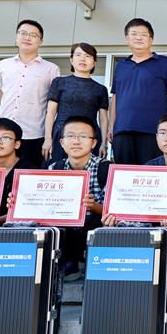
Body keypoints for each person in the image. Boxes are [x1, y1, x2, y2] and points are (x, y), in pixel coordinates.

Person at [105, 113, 167, 285]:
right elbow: (137, 206)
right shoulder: (149, 167)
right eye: (163, 133)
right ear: (157, 137)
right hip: (155, 223)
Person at [108, 18, 167, 165]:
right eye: (134, 34)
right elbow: (115, 97)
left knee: (151, 173)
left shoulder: (164, 63)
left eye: (143, 34)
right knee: (124, 174)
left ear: (151, 39)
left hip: (153, 130)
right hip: (122, 130)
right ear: (127, 38)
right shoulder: (121, 66)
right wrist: (111, 125)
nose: (138, 38)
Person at [0, 20, 59, 168]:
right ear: (16, 37)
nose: (27, 37)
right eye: (23, 33)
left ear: (41, 42)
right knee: (2, 175)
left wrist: (48, 138)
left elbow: (52, 106)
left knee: (30, 176)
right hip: (4, 134)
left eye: (33, 35)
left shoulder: (51, 69)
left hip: (34, 134)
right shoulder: (3, 65)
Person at [49, 116, 110, 280]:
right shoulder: (54, 168)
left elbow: (114, 210)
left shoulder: (106, 168)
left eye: (83, 136)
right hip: (66, 225)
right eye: (70, 136)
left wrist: (93, 206)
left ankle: (93, 262)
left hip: (94, 223)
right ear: (62, 142)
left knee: (98, 221)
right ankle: (69, 263)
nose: (76, 141)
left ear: (93, 143)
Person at [42, 43, 109, 165]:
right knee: (59, 169)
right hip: (62, 135)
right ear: (71, 60)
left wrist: (104, 143)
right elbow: (50, 113)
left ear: (94, 62)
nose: (82, 59)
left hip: (89, 137)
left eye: (87, 56)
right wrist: (47, 139)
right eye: (78, 55)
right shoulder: (59, 82)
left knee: (89, 170)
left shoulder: (100, 89)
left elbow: (103, 118)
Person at [0, 118, 38, 228]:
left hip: (19, 232)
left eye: (5, 137)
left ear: (17, 144)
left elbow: (28, 210)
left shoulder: (30, 172)